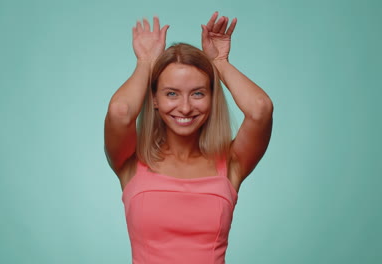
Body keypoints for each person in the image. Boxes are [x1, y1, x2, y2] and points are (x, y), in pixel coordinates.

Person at [104, 12, 273, 264]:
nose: (184, 108)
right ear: (154, 99)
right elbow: (120, 112)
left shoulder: (231, 163)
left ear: (212, 98)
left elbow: (260, 109)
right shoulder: (130, 161)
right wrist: (146, 62)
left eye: (197, 93)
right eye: (171, 93)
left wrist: (220, 63)